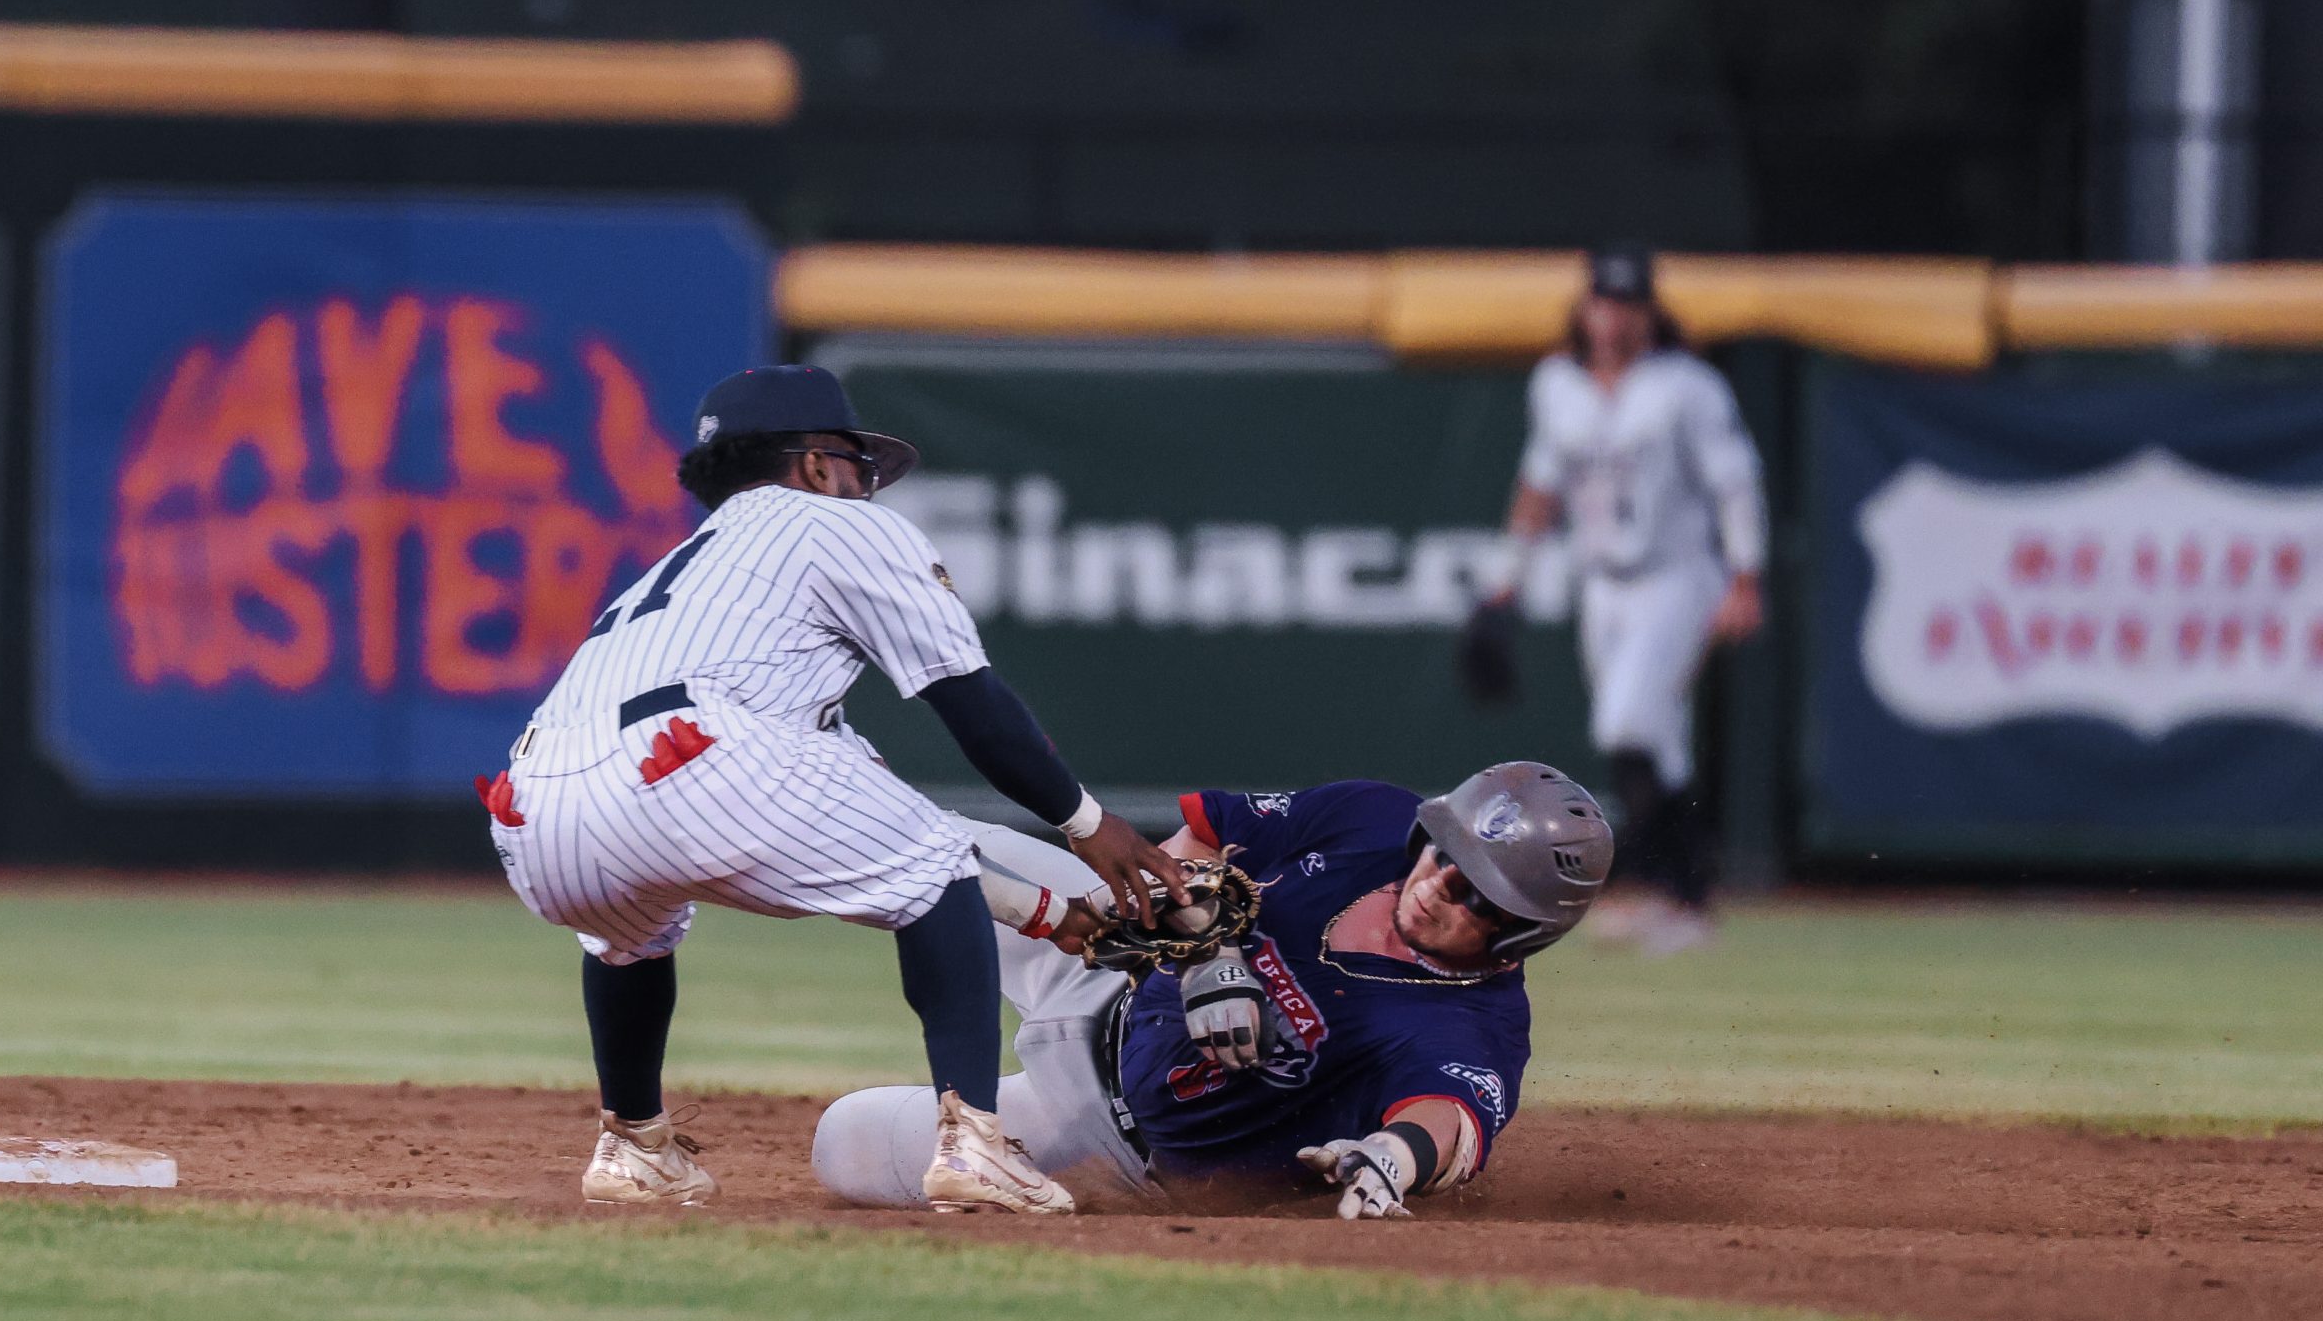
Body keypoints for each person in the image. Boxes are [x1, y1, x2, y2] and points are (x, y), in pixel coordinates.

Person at [481, 364, 1187, 1215]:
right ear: (816, 466)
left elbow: (893, 839)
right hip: (693, 752)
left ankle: (634, 1147)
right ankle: (976, 1144)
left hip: (531, 801)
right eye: (858, 466)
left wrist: (1045, 911)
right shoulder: (835, 526)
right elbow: (972, 703)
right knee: (930, 871)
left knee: (631, 938)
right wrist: (1086, 822)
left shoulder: (693, 590)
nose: (865, 485)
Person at [811, 763, 1612, 1218]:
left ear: (1522, 933)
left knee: (840, 1142)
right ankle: (742, 801)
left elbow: (1451, 1122)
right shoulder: (1372, 820)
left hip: (1106, 1136)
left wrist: (1392, 1159)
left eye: (1480, 899)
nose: (1443, 889)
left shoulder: (1474, 1024)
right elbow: (1201, 831)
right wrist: (1201, 946)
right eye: (1448, 859)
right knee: (931, 841)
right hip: (1110, 965)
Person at [1483, 244, 1767, 954]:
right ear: (1585, 308)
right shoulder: (1557, 383)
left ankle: (1651, 883)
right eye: (1603, 303)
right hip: (1603, 583)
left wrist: (1745, 575)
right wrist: (1504, 579)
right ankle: (1685, 899)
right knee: (1658, 745)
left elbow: (1735, 481)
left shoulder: (1686, 384)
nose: (1613, 318)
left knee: (1628, 724)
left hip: (1677, 576)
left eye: (1627, 305)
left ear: (1648, 312)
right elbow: (1540, 485)